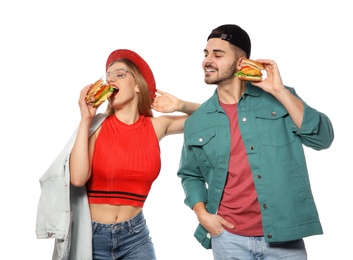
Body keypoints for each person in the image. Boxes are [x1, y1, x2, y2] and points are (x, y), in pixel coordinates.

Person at [177, 24, 334, 260]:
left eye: (218, 55)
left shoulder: (280, 99)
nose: (207, 61)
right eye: (206, 54)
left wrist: (279, 91)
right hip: (228, 239)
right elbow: (190, 175)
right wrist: (202, 214)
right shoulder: (198, 121)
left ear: (241, 62)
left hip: (284, 238)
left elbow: (322, 138)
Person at [36, 49, 199, 260]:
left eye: (120, 74)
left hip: (135, 237)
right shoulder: (97, 127)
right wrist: (85, 119)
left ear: (138, 85)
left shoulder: (157, 126)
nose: (111, 80)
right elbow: (77, 178)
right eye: (108, 77)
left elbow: (217, 115)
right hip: (93, 237)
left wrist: (181, 105)